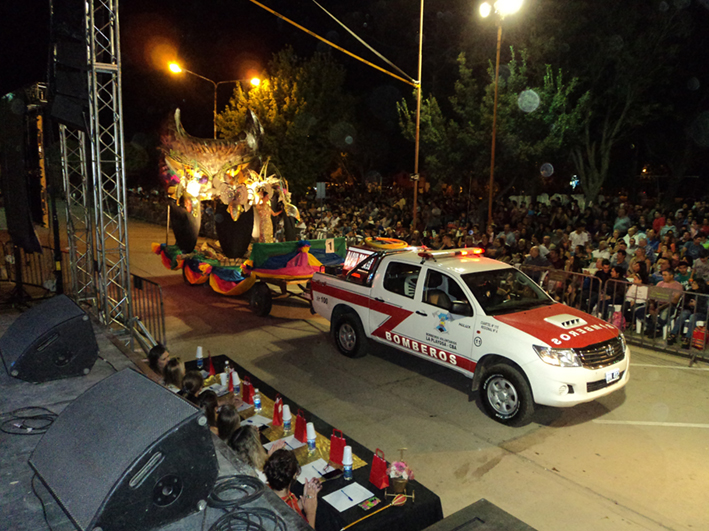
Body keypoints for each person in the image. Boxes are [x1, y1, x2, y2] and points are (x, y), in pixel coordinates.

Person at [263, 449, 321, 528]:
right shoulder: (291, 519)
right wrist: (311, 513)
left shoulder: (264, 490)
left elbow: (288, 506)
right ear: (295, 475)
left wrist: (303, 501)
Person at [667, 279, 708, 348]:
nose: (692, 284)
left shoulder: (705, 294)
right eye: (692, 283)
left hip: (701, 313)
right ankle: (673, 334)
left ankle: (688, 338)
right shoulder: (689, 291)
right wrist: (689, 304)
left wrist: (696, 305)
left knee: (693, 316)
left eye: (694, 283)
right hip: (689, 310)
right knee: (684, 314)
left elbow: (705, 309)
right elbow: (683, 303)